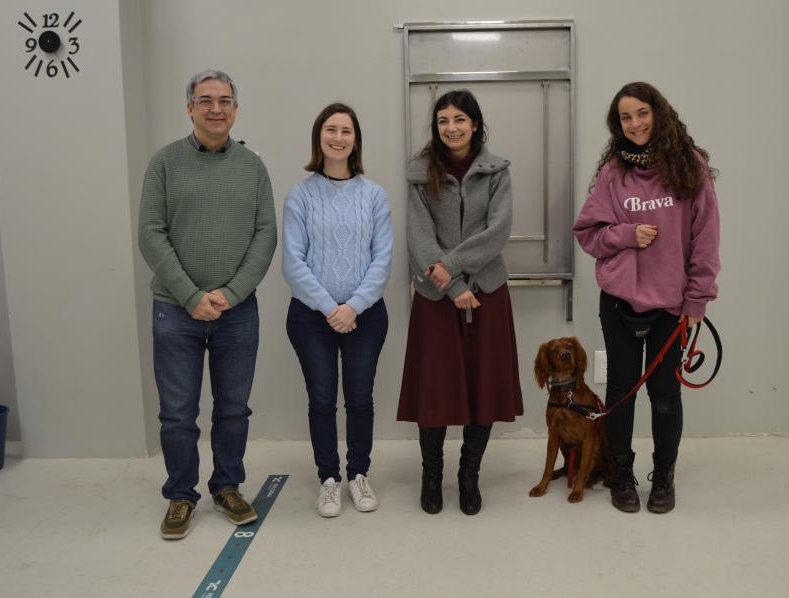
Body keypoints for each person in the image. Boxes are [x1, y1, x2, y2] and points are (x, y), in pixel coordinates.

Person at [138, 70, 277, 539]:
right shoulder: (164, 163)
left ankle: (227, 486)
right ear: (190, 108)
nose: (216, 108)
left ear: (236, 109)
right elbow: (150, 233)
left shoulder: (253, 167)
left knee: (233, 408)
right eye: (205, 100)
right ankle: (181, 495)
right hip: (175, 310)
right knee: (177, 412)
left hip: (238, 312)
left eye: (225, 100)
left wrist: (231, 293)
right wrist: (191, 296)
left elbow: (265, 234)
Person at [572, 81, 720, 514]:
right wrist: (626, 235)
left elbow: (706, 240)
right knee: (621, 391)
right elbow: (588, 234)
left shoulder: (691, 169)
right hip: (618, 302)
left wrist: (697, 301)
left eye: (641, 113)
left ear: (659, 113)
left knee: (666, 396)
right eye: (625, 117)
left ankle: (664, 478)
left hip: (671, 308)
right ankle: (622, 475)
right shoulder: (613, 173)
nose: (634, 123)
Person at [397, 90, 523, 516]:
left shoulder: (498, 171)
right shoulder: (418, 174)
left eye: (459, 120)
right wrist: (451, 285)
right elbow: (418, 238)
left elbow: (498, 230)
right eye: (443, 120)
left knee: (483, 388)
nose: (451, 128)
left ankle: (469, 477)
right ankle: (431, 475)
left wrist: (457, 270)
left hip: (487, 291)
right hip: (436, 296)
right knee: (434, 393)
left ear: (475, 124)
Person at [283, 103, 393, 518]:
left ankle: (358, 474)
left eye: (347, 131)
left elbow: (382, 260)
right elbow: (293, 263)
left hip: (366, 316)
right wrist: (332, 308)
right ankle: (329, 479)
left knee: (361, 398)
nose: (339, 137)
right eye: (331, 129)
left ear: (355, 140)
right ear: (319, 137)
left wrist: (354, 307)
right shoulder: (300, 195)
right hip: (312, 317)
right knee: (322, 399)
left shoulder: (374, 195)